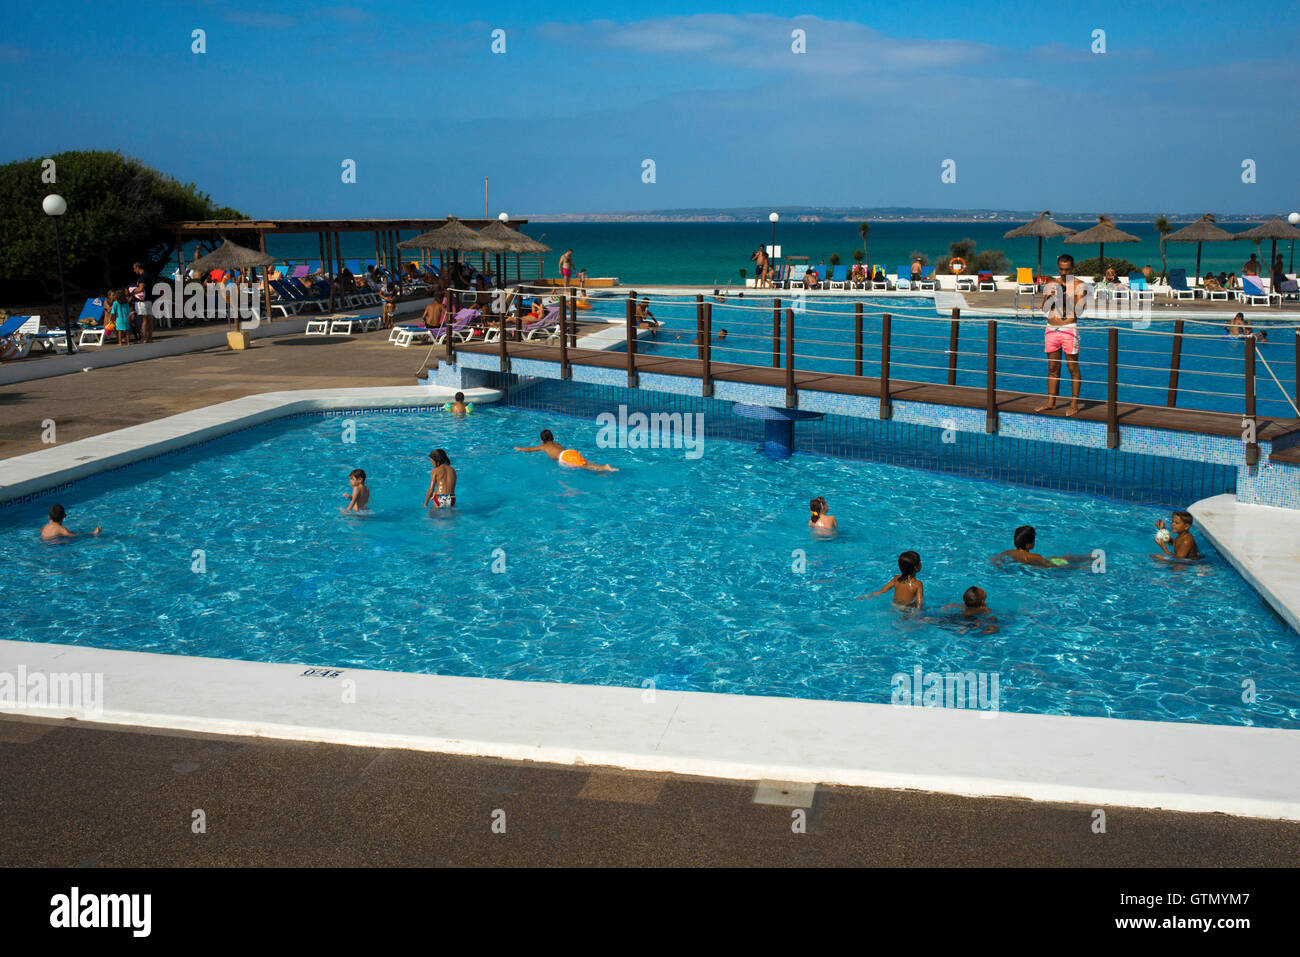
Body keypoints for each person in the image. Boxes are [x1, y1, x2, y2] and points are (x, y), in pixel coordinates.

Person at [1033, 254, 1086, 416]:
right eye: (1061, 269)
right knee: (1052, 367)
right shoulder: (1051, 284)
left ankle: (1074, 404)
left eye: (1067, 269)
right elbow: (1044, 308)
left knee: (1072, 367)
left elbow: (1079, 310)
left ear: (1072, 268)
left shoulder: (1079, 285)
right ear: (1058, 268)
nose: (1064, 273)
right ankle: (1051, 402)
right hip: (1051, 329)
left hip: (1069, 328)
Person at [514, 429, 617, 472]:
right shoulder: (555, 443)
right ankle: (600, 468)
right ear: (553, 437)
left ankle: (604, 467)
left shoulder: (543, 446)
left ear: (541, 441)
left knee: (584, 466)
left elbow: (530, 449)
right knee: (585, 462)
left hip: (565, 457)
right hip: (570, 452)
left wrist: (520, 449)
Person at [991, 524, 1086, 568]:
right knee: (1067, 559)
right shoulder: (1035, 557)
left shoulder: (1010, 552)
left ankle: (1088, 557)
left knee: (1061, 558)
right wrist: (1077, 568)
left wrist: (1001, 567)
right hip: (1044, 564)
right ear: (1029, 545)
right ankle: (1090, 558)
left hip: (1037, 562)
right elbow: (1053, 566)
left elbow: (994, 559)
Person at [132, 262, 158, 343]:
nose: (134, 270)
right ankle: (150, 338)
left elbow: (140, 289)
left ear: (138, 268)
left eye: (134, 268)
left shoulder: (142, 277)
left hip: (143, 301)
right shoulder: (149, 276)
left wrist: (132, 291)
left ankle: (143, 339)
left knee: (144, 320)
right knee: (149, 319)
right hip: (150, 300)